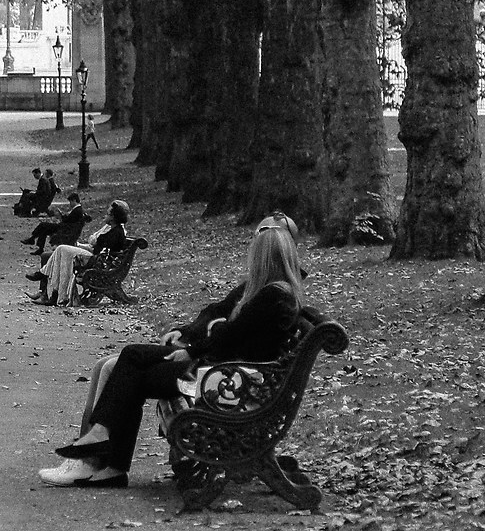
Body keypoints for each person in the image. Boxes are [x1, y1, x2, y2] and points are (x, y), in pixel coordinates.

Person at [40, 215, 311, 487]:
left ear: (265, 258)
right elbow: (219, 318)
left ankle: (107, 456)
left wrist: (193, 349)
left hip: (225, 377)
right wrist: (192, 334)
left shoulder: (273, 295)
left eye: (255, 252)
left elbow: (229, 335)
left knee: (131, 370)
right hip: (224, 370)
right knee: (130, 359)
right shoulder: (269, 291)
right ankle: (104, 451)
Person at [30, 200, 131, 305]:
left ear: (113, 217)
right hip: (96, 258)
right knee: (62, 251)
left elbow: (98, 250)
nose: (105, 216)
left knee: (62, 249)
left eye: (108, 214)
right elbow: (96, 245)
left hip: (97, 261)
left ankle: (44, 275)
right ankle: (55, 294)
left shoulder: (116, 232)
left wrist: (86, 245)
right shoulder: (112, 229)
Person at [25, 192, 88, 256]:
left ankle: (32, 239)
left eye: (70, 202)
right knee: (44, 228)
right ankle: (38, 246)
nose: (70, 204)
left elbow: (67, 221)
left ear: (74, 200)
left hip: (64, 229)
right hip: (65, 227)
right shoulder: (78, 209)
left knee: (43, 225)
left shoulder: (77, 210)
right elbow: (70, 220)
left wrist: (61, 216)